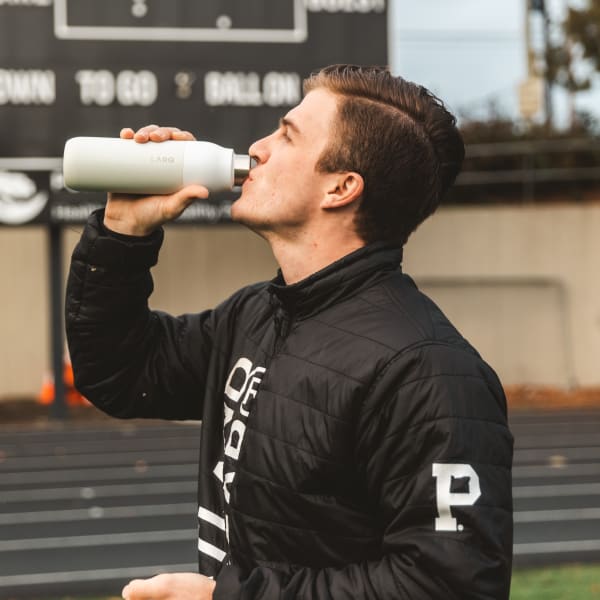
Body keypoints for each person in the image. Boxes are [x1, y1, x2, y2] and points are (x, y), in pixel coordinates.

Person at [65, 64, 513, 599]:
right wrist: (123, 233)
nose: (258, 147)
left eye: (286, 134)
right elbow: (122, 372)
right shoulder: (256, 313)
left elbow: (448, 587)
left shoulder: (430, 373)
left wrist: (227, 597)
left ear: (341, 187)